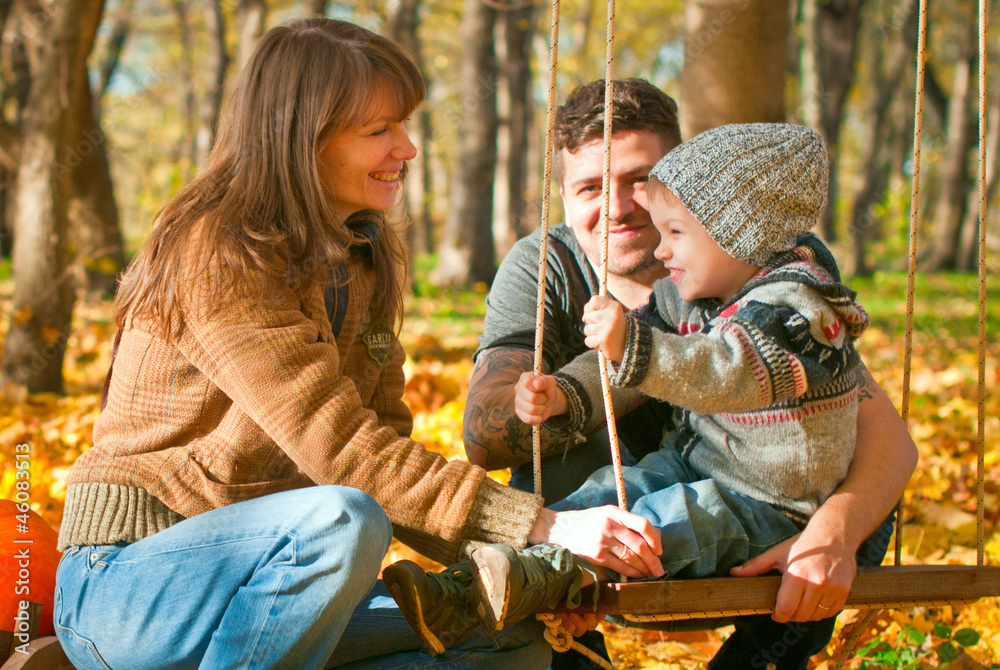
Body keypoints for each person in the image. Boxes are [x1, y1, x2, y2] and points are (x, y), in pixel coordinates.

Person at [53, 21, 660, 670]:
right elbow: (340, 450)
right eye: (379, 131)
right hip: (129, 587)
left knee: (510, 638)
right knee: (345, 519)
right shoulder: (218, 251)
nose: (408, 148)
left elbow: (388, 455)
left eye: (404, 125)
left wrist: (532, 563)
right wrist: (545, 526)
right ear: (301, 139)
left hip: (277, 593)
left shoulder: (363, 258)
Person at [463, 80, 917, 668]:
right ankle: (549, 612)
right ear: (566, 199)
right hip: (637, 504)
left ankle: (757, 657)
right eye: (590, 188)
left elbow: (886, 440)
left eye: (638, 179)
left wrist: (829, 534)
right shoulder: (546, 265)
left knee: (864, 503)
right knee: (566, 480)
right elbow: (482, 437)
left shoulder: (771, 277)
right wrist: (553, 399)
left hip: (749, 516)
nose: (620, 206)